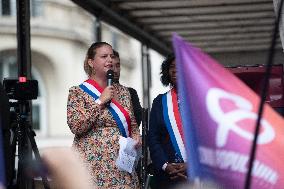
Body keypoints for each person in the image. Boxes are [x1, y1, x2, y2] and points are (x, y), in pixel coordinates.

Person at [67, 42, 141, 188]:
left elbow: (132, 123)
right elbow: (76, 126)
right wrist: (101, 101)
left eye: (111, 56)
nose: (110, 60)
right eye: (104, 56)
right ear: (91, 62)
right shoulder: (78, 92)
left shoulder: (123, 91)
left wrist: (136, 136)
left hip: (122, 167)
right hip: (92, 166)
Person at [148, 54, 187, 189]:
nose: (175, 70)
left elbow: (208, 137)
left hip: (196, 173)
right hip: (168, 175)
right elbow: (153, 138)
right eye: (172, 67)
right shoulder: (160, 102)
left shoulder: (201, 100)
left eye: (179, 66)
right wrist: (165, 165)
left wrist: (191, 164)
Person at [113, 50, 142, 126]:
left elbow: (137, 121)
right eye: (111, 66)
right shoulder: (93, 91)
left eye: (117, 65)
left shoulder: (131, 92)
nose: (115, 70)